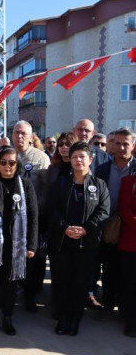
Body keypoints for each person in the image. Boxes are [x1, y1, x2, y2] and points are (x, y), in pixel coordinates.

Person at [49, 142, 109, 336]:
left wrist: (85, 229)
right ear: (70, 160)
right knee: (63, 281)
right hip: (63, 242)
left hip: (87, 244)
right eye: (75, 157)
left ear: (90, 160)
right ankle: (63, 317)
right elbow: (53, 210)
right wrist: (65, 228)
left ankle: (76, 318)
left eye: (82, 156)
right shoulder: (61, 183)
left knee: (80, 282)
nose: (78, 160)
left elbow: (103, 212)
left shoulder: (99, 185)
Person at [0, 147, 39, 335]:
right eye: (3, 162)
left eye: (12, 163)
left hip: (16, 246)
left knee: (11, 284)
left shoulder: (26, 186)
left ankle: (8, 317)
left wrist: (31, 245)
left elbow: (33, 215)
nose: (7, 166)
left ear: (17, 165)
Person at [95, 128, 136, 313]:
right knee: (109, 267)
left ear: (133, 146)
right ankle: (109, 302)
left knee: (128, 270)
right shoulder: (102, 169)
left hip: (131, 229)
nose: (121, 148)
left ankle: (125, 306)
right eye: (117, 143)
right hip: (108, 226)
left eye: (125, 144)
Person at [13, 120, 51, 313]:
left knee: (34, 258)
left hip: (35, 216)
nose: (20, 136)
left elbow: (46, 188)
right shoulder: (7, 154)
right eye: (17, 133)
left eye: (23, 133)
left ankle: (31, 295)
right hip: (12, 216)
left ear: (30, 136)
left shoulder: (40, 158)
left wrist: (39, 212)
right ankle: (15, 290)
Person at [118, 172, 136, 337]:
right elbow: (124, 209)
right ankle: (131, 322)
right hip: (131, 243)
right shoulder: (128, 181)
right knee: (131, 285)